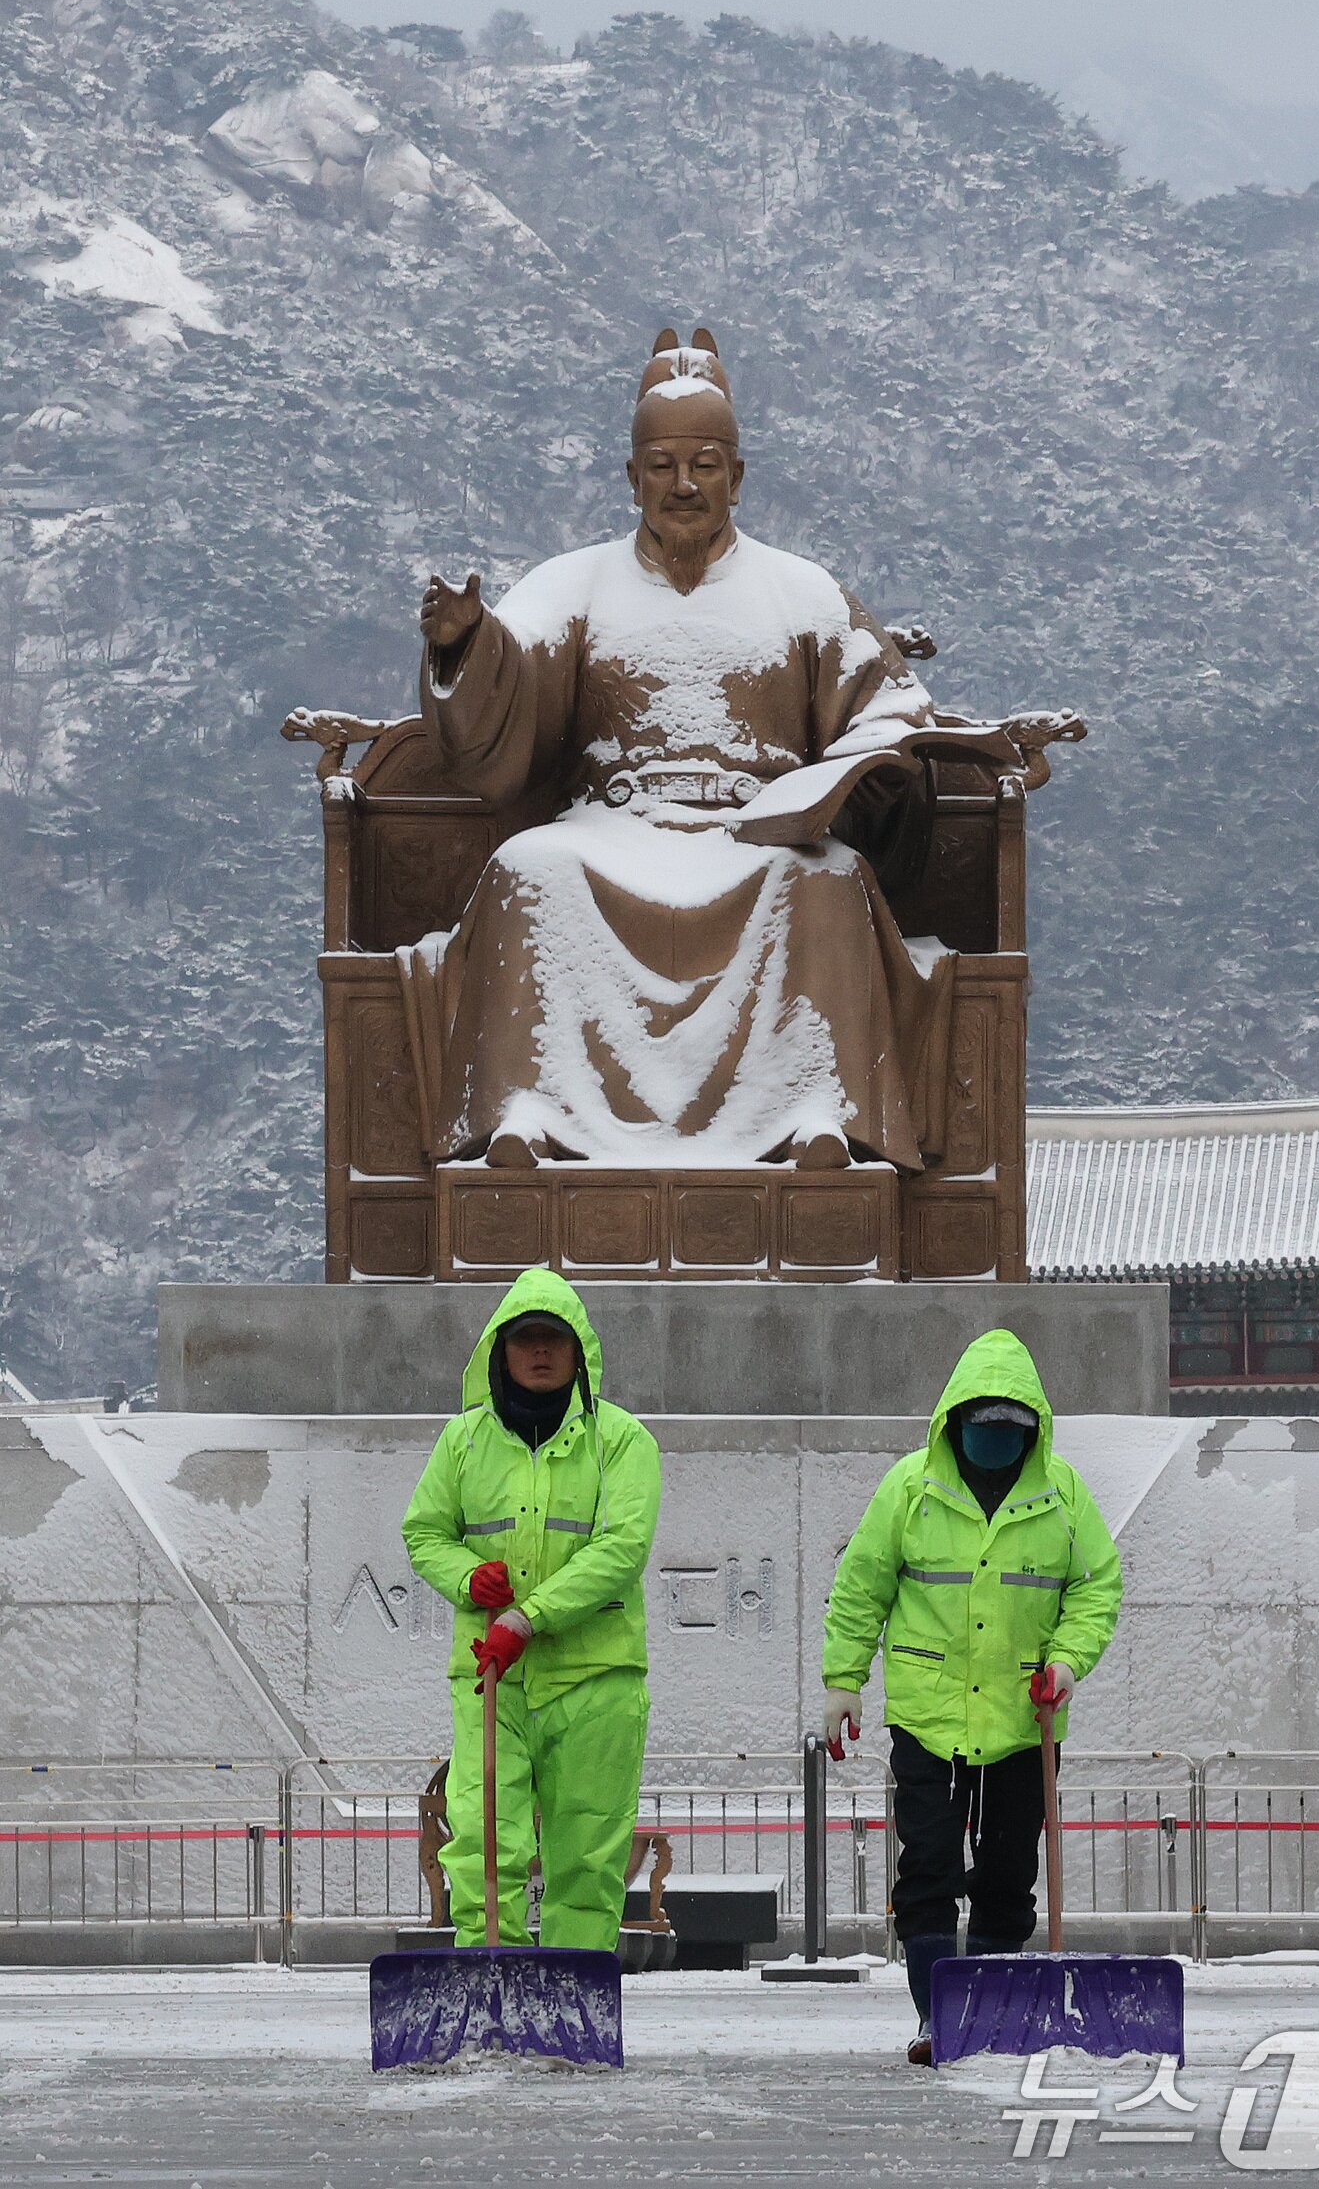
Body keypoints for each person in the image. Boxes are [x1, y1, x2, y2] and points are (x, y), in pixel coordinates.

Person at [387, 325, 1067, 1174]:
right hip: (610, 826)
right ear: (632, 476)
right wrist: (465, 642)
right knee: (532, 869)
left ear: (736, 477)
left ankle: (820, 1115)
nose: (683, 484)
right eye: (663, 465)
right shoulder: (576, 583)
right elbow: (512, 677)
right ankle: (530, 1113)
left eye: (704, 464)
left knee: (828, 879)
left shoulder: (804, 591)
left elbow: (887, 706)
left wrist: (870, 767)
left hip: (761, 834)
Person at [821, 1329, 1121, 2064]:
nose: (995, 1441)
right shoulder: (910, 1489)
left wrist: (1067, 1661)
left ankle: (995, 2011)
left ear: (1032, 1430)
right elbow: (862, 1587)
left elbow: (1096, 1588)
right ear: (954, 1420)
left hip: (1026, 1719)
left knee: (1007, 1872)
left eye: (1009, 1430)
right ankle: (939, 2015)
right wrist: (843, 1680)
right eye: (983, 1427)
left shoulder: (1064, 1497)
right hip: (928, 1720)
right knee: (926, 1865)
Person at [401, 1268, 661, 1953]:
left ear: (579, 1352)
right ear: (500, 1350)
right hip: (492, 1681)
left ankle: (571, 2007)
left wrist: (528, 1616)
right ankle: (489, 1993)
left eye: (553, 1339)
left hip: (596, 1681)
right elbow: (423, 1532)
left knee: (586, 1855)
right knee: (486, 1844)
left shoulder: (625, 1442)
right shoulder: (461, 1442)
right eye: (525, 1340)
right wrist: (466, 1574)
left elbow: (621, 1548)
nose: (539, 1352)